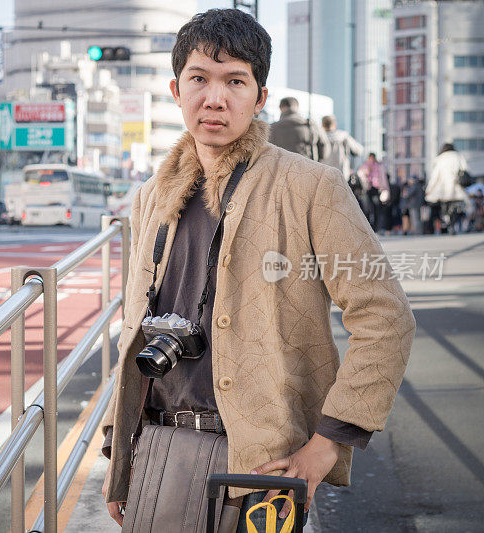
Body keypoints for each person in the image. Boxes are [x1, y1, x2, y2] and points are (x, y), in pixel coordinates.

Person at [100, 8, 415, 532]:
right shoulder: (152, 195)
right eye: (199, 79)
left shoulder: (310, 187)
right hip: (157, 449)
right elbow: (135, 324)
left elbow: (386, 317)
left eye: (235, 81)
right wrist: (121, 454)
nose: (215, 98)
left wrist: (327, 444)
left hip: (265, 466)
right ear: (176, 90)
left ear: (260, 97)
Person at [425, 143, 468, 235]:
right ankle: (453, 223)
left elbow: (435, 176)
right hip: (456, 186)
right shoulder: (459, 156)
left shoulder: (441, 158)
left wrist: (429, 188)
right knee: (455, 207)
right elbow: (465, 169)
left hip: (443, 188)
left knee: (445, 207)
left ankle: (448, 221)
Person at [269, 97, 328, 161]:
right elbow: (324, 148)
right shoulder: (311, 125)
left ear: (281, 108)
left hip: (281, 168)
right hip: (307, 167)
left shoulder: (272, 128)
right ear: (297, 107)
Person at [321, 115, 363, 182]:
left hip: (323, 177)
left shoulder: (319, 137)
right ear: (334, 124)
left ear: (322, 125)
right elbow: (359, 151)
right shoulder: (343, 136)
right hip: (341, 176)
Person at [356, 153, 390, 232]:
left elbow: (383, 179)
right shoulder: (364, 166)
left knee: (377, 208)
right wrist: (366, 173)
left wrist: (385, 189)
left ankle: (376, 227)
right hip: (367, 189)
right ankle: (367, 227)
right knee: (367, 208)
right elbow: (360, 175)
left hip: (377, 189)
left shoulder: (379, 166)